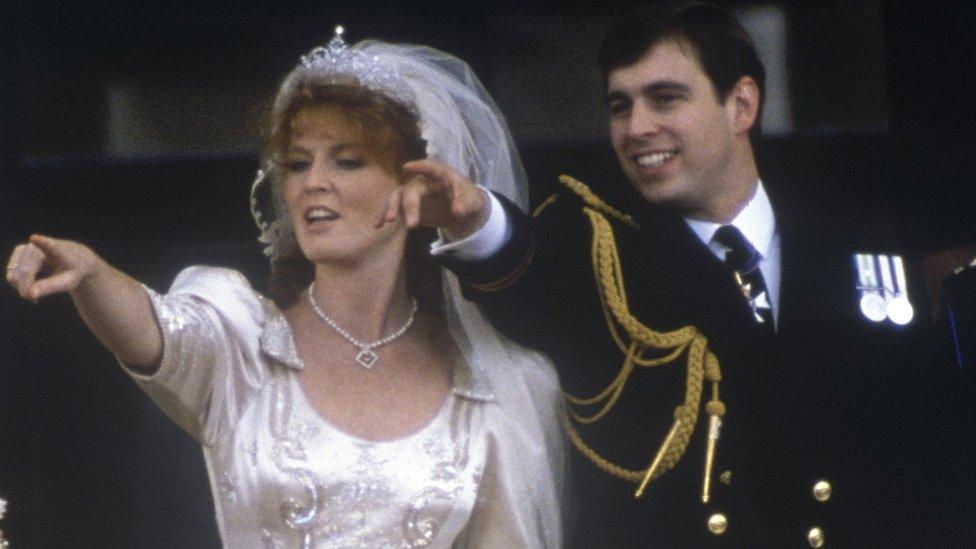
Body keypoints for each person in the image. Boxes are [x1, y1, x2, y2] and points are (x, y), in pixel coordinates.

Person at [403, 1, 974, 546]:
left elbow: (925, 454)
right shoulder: (595, 251)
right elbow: (522, 263)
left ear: (742, 106)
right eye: (620, 106)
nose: (636, 128)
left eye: (665, 98)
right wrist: (472, 215)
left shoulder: (852, 244)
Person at [5, 29, 567, 548]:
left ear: (413, 184)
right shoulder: (240, 344)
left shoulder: (498, 386)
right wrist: (93, 274)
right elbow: (153, 330)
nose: (314, 182)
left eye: (348, 161)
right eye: (298, 164)